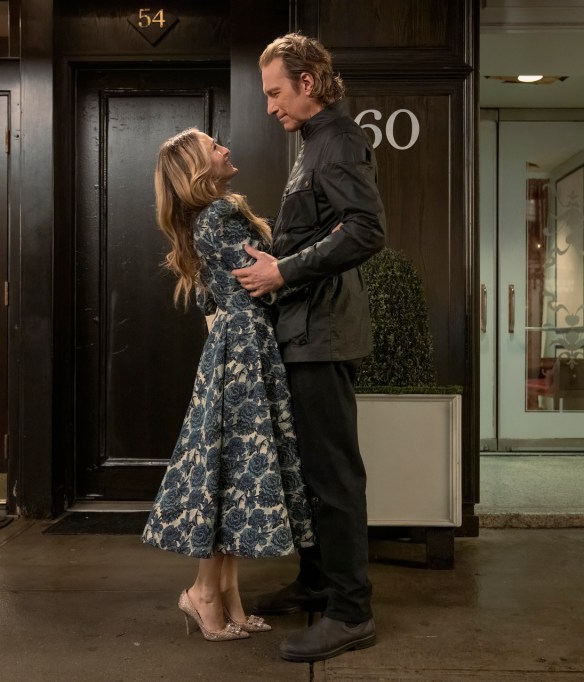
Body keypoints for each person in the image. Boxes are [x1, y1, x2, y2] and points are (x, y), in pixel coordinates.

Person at [233, 32, 386, 663]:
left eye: (276, 92)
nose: (270, 106)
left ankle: (351, 613)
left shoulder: (340, 139)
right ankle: (320, 581)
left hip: (322, 335)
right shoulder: (313, 144)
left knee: (333, 475)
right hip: (303, 332)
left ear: (310, 82)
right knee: (311, 475)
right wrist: (275, 255)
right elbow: (318, 229)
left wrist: (283, 272)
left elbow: (366, 230)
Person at [141, 128, 315, 643]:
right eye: (214, 146)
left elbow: (207, 301)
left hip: (237, 346)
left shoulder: (204, 219)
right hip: (246, 347)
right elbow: (261, 279)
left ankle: (228, 597)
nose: (225, 149)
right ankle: (204, 594)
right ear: (198, 163)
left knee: (235, 470)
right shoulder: (218, 215)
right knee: (233, 468)